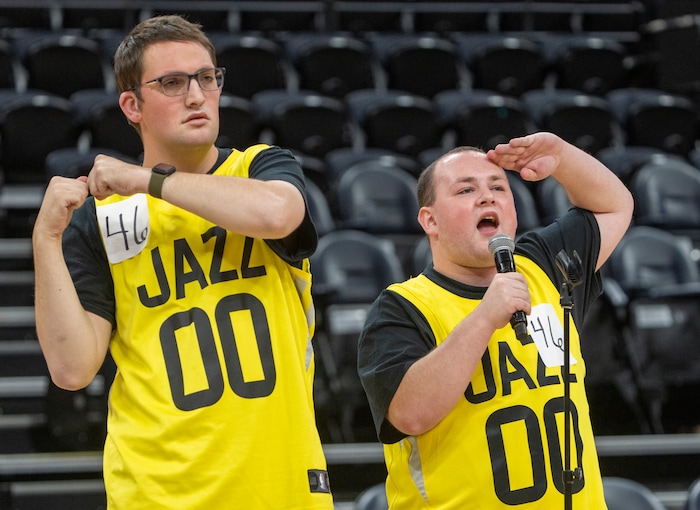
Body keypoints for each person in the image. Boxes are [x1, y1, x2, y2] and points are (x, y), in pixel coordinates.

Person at [32, 15, 332, 510]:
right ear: (132, 105)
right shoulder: (100, 218)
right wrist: (45, 239)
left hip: (278, 484)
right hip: (154, 492)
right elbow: (72, 369)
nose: (196, 95)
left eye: (207, 77)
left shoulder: (261, 167)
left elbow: (279, 214)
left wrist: (146, 181)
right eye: (172, 83)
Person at [357, 132, 634, 509]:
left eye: (499, 187)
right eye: (465, 190)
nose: (487, 197)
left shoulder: (544, 266)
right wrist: (485, 317)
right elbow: (410, 414)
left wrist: (561, 155)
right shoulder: (402, 306)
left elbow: (614, 206)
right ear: (430, 220)